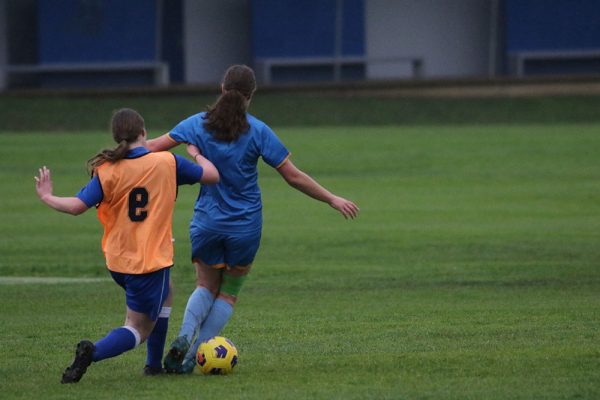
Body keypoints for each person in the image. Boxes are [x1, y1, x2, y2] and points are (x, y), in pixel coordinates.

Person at [146, 64, 359, 374]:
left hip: (206, 223)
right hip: (245, 227)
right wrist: (332, 198)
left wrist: (114, 158)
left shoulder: (195, 125)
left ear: (222, 88)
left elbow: (150, 148)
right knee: (228, 292)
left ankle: (182, 336)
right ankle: (193, 356)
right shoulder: (258, 131)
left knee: (205, 285)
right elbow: (293, 176)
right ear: (250, 96)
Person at [34, 108, 219, 383]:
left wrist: (47, 196)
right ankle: (92, 353)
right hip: (148, 262)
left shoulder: (107, 170)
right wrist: (195, 153)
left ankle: (154, 366)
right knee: (137, 329)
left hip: (118, 261)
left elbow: (75, 207)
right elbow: (211, 175)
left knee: (167, 291)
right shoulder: (166, 162)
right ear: (143, 133)